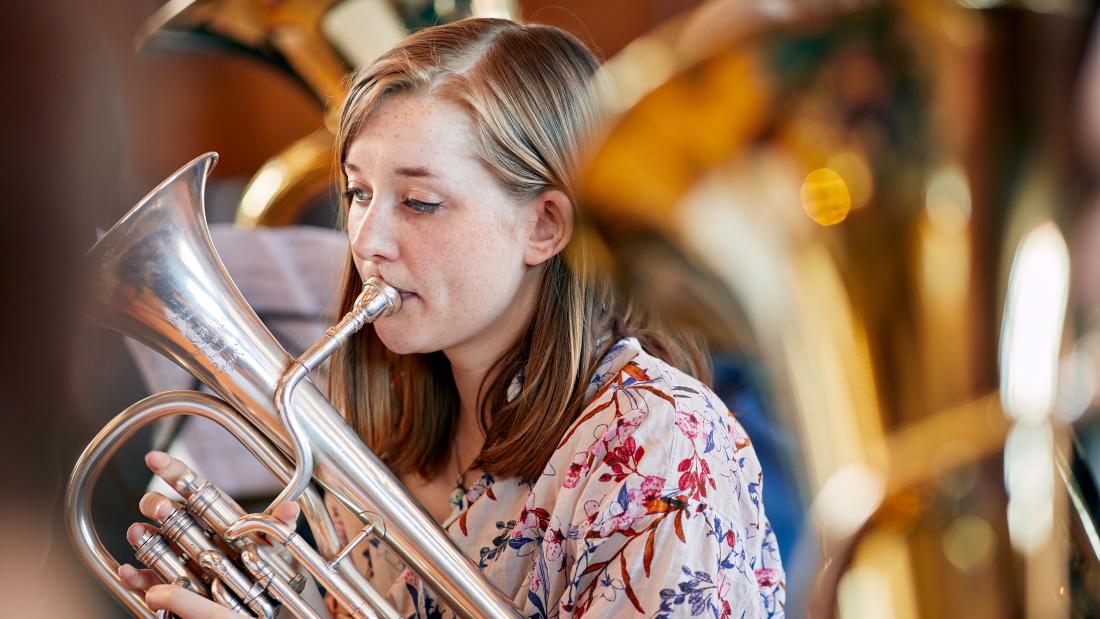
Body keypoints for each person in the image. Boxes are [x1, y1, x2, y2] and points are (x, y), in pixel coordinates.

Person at [119, 17, 786, 618]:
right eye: (357, 191)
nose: (367, 239)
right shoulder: (386, 435)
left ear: (545, 226)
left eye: (420, 202)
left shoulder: (661, 446)